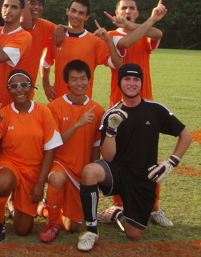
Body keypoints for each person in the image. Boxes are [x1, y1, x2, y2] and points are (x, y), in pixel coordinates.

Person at [76, 64, 192, 252]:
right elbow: (108, 156)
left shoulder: (155, 110)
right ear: (119, 83)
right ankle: (91, 231)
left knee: (134, 234)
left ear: (141, 83)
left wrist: (172, 161)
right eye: (127, 79)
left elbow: (186, 135)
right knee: (90, 171)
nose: (131, 83)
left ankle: (118, 214)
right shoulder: (111, 114)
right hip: (119, 172)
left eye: (136, 79)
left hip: (144, 178)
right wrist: (112, 130)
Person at [100, 0, 171, 227]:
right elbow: (125, 44)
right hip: (119, 105)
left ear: (137, 13)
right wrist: (150, 19)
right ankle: (119, 203)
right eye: (124, 8)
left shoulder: (145, 33)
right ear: (116, 11)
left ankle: (153, 206)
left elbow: (157, 35)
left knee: (149, 157)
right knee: (119, 155)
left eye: (132, 8)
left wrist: (142, 22)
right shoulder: (111, 36)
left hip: (145, 103)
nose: (128, 10)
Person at [0, 70, 62, 241]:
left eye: (24, 85)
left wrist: (40, 183)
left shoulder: (43, 112)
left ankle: (16, 202)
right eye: (14, 86)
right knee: (3, 182)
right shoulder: (4, 113)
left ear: (31, 87)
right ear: (8, 89)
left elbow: (50, 150)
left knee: (23, 230)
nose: (19, 90)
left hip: (32, 171)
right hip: (10, 164)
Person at [39, 60, 105, 243]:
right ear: (66, 83)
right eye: (74, 79)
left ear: (89, 80)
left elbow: (96, 147)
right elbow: (53, 144)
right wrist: (77, 124)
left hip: (80, 171)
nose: (79, 83)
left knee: (72, 226)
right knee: (57, 178)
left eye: (83, 78)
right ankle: (52, 222)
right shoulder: (54, 108)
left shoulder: (98, 110)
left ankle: (49, 207)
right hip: (59, 164)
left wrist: (90, 177)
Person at [41, 0, 122, 101]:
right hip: (59, 102)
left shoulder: (95, 41)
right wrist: (46, 85)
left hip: (83, 103)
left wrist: (109, 41)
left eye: (81, 13)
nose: (76, 16)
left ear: (86, 17)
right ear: (67, 11)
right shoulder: (57, 38)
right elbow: (45, 63)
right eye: (73, 11)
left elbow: (118, 64)